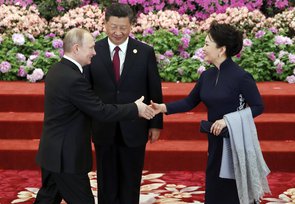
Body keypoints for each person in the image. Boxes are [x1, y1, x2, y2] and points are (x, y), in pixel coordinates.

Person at [34, 28, 155, 204]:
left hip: (52, 153)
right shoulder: (73, 79)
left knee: (47, 198)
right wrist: (135, 108)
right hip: (66, 158)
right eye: (90, 48)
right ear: (76, 48)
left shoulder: (57, 70)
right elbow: (100, 111)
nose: (94, 52)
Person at [151, 22, 264, 204]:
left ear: (221, 49)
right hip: (214, 138)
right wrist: (162, 108)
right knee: (214, 184)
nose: (203, 48)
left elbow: (258, 106)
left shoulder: (242, 77)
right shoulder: (207, 76)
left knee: (233, 188)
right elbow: (189, 102)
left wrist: (228, 120)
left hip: (235, 140)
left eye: (207, 44)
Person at [84, 3, 163, 204]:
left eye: (123, 27)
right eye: (113, 27)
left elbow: (154, 89)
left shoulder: (145, 52)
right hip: (103, 126)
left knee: (131, 181)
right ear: (104, 25)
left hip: (135, 126)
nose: (118, 32)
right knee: (106, 181)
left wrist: (155, 124)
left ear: (131, 26)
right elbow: (86, 89)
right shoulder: (94, 51)